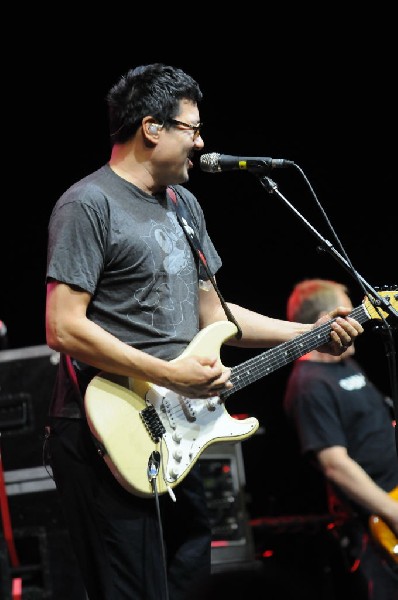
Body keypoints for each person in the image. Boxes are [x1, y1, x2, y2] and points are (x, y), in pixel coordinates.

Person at [43, 64, 363, 600]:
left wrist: (310, 329)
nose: (201, 141)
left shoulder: (183, 206)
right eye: (191, 128)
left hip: (164, 426)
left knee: (191, 564)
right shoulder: (88, 204)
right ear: (152, 128)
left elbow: (216, 318)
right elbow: (63, 327)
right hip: (102, 425)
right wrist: (171, 372)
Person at [283, 278, 398, 600]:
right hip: (374, 522)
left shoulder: (347, 364)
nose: (361, 318)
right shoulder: (308, 384)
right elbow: (335, 465)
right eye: (352, 311)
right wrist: (392, 512)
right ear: (327, 318)